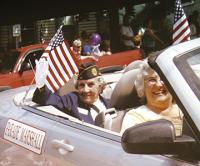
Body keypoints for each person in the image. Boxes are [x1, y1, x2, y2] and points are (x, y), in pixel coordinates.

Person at [32, 59, 112, 128]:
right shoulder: (72, 100)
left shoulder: (110, 103)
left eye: (90, 84)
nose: (85, 90)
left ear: (100, 86)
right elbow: (50, 99)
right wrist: (41, 86)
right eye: (81, 85)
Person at [120, 60, 183, 136]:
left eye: (163, 78)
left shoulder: (187, 108)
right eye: (152, 80)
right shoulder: (135, 117)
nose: (159, 85)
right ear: (142, 86)